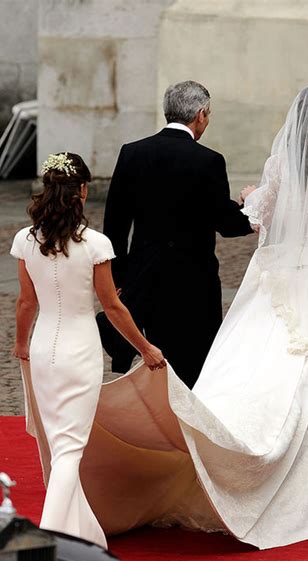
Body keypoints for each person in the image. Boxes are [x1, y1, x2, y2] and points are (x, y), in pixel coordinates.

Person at [64, 85, 308, 550]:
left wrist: (255, 198)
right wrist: (249, 208)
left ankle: (186, 428)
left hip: (229, 277)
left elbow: (117, 219)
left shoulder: (141, 153)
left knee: (246, 360)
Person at [11, 152, 165, 548]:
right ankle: (47, 543)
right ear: (82, 191)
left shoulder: (26, 241)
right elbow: (112, 306)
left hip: (45, 347)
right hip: (80, 352)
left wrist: (21, 343)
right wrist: (145, 348)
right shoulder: (96, 244)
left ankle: (84, 534)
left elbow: (26, 303)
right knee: (69, 449)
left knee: (62, 444)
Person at [98, 80, 253, 387]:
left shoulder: (132, 153)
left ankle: (155, 424)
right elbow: (227, 223)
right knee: (194, 366)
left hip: (144, 276)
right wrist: (250, 206)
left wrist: (118, 278)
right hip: (193, 281)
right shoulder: (208, 160)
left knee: (153, 362)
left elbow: (114, 223)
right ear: (201, 114)